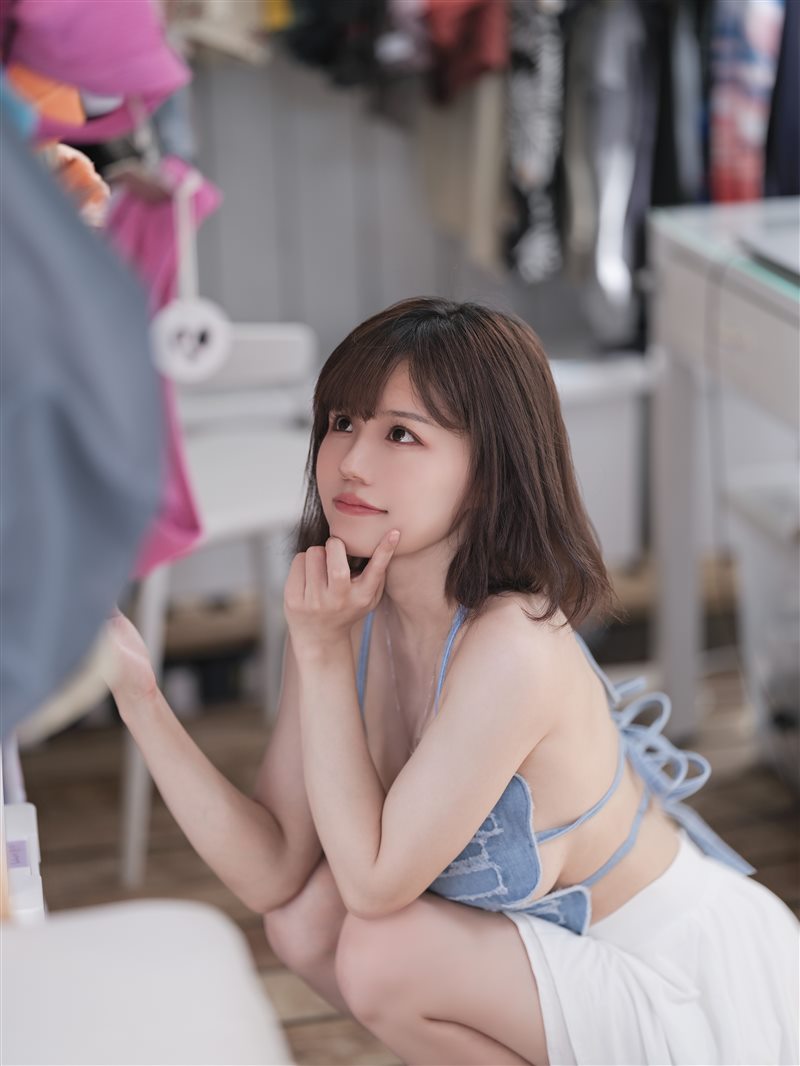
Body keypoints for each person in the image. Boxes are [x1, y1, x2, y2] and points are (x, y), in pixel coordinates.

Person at [107, 298, 799, 1065]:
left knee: (379, 950)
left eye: (401, 433)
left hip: (677, 985)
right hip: (556, 965)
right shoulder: (349, 612)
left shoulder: (514, 644)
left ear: (488, 472)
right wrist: (139, 694)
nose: (352, 461)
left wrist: (322, 655)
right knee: (305, 922)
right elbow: (273, 871)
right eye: (342, 421)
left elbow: (374, 887)